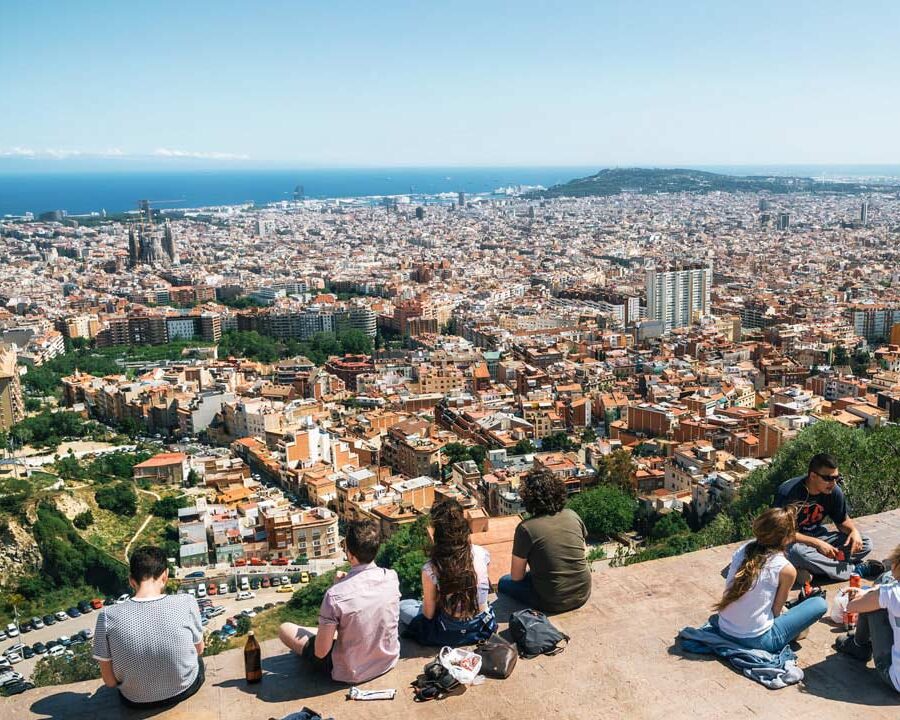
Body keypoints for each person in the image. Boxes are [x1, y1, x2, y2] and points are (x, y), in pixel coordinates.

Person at [278, 519, 400, 684]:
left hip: (351, 671)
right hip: (387, 661)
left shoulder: (335, 595)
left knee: (285, 628)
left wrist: (337, 588)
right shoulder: (391, 577)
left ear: (349, 554)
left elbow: (321, 652)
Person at [93, 545, 205, 709]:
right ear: (165, 575)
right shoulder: (186, 602)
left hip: (135, 701)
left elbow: (109, 682)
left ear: (131, 580)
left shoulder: (107, 616)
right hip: (184, 689)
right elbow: (199, 650)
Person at [399, 498, 497, 646]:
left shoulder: (431, 568)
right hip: (482, 627)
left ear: (437, 533)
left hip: (449, 630)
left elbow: (428, 614)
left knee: (403, 606)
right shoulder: (482, 553)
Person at [773, 453, 884, 581]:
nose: (833, 483)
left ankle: (813, 567)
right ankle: (853, 570)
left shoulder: (834, 491)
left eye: (836, 477)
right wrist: (818, 544)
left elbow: (842, 521)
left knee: (865, 543)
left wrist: (854, 531)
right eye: (828, 478)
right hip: (792, 542)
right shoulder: (789, 492)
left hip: (819, 537)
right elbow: (781, 533)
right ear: (813, 476)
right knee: (797, 554)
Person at [498, 468, 591, 614]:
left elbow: (517, 577)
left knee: (504, 582)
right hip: (583, 593)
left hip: (552, 601)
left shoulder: (526, 528)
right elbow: (583, 553)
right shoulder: (573, 515)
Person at [835, 543, 900, 694]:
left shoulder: (894, 594)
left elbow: (853, 607)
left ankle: (859, 645)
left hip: (896, 679)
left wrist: (863, 595)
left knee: (874, 604)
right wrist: (871, 592)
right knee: (881, 589)